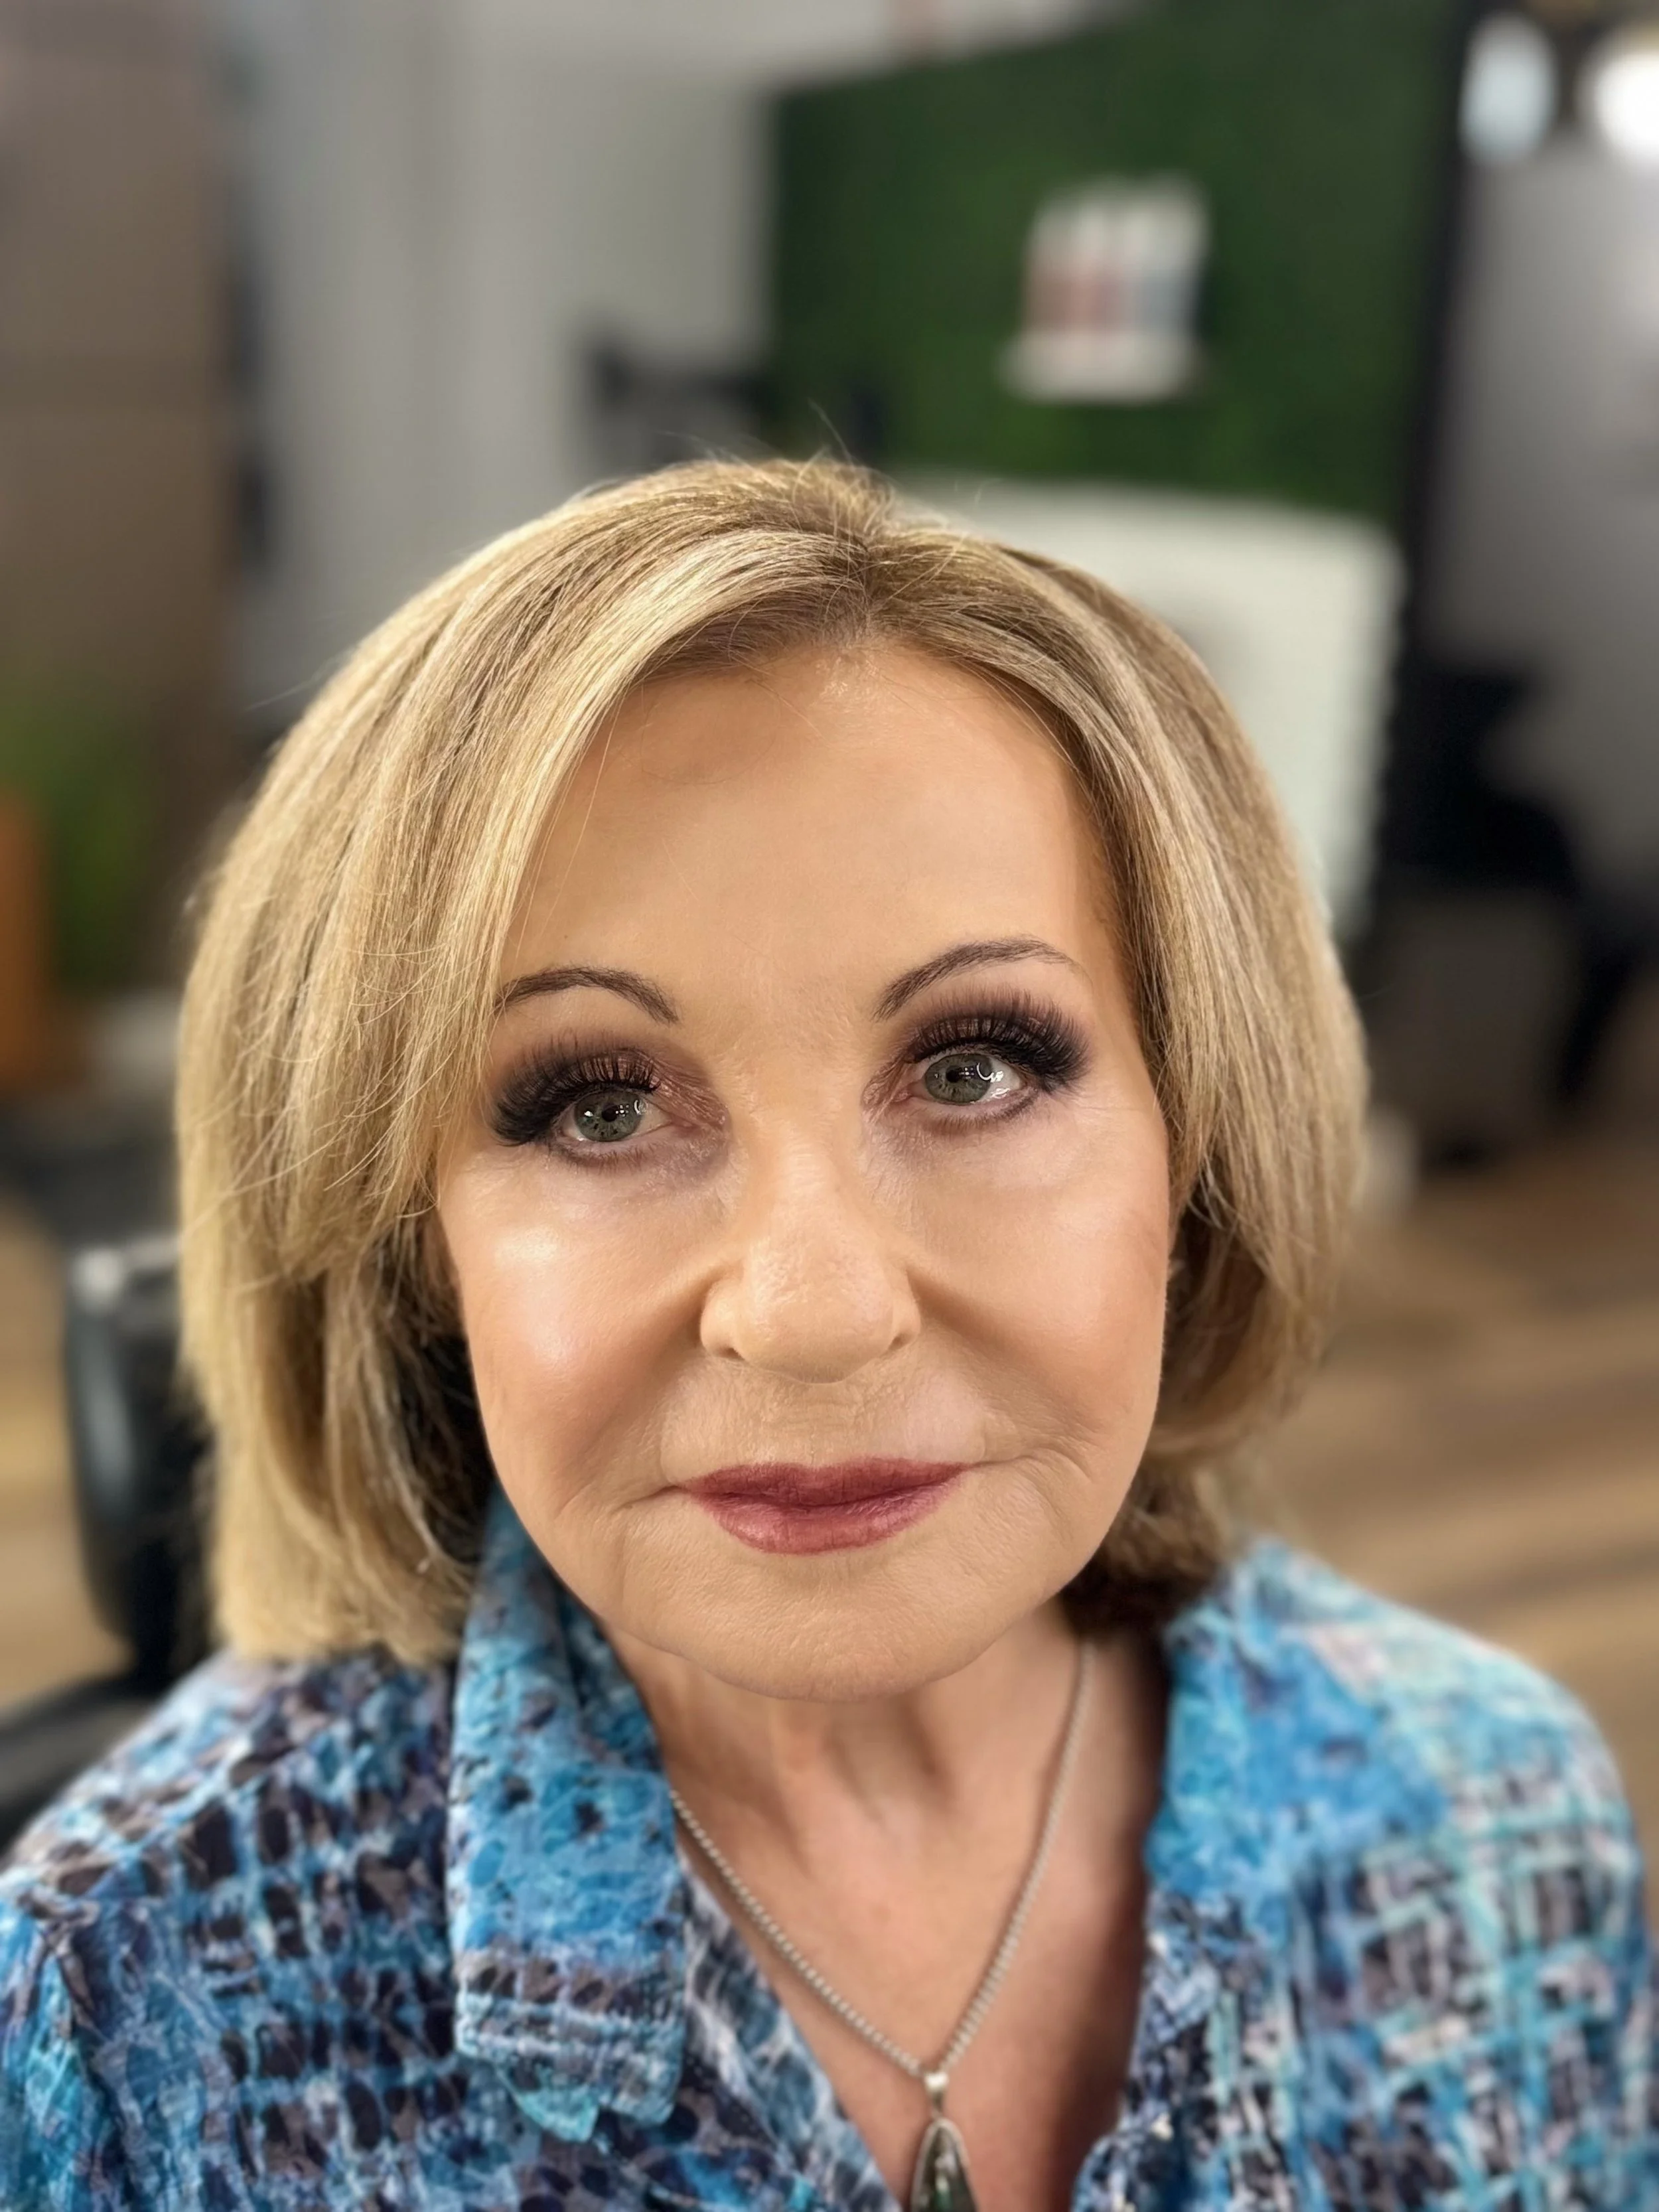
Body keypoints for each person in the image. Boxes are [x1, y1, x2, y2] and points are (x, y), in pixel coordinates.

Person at [0, 461, 1650, 2212]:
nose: (810, 1311)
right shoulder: (126, 2001)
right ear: (414, 1247)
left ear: (1195, 1153)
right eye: (596, 1105)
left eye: (972, 1066)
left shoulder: (1493, 1817)